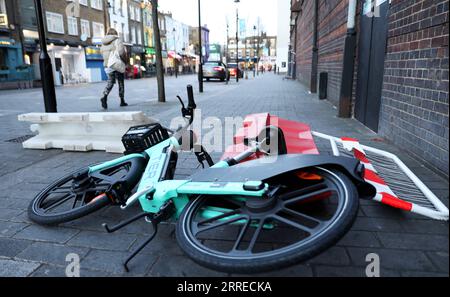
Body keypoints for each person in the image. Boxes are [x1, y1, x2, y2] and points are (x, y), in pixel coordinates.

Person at [100, 28, 128, 109]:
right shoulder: (117, 40)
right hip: (117, 64)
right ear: (115, 33)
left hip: (108, 65)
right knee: (120, 82)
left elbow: (102, 53)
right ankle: (122, 100)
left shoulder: (103, 43)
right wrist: (125, 61)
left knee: (110, 82)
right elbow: (121, 52)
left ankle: (104, 96)